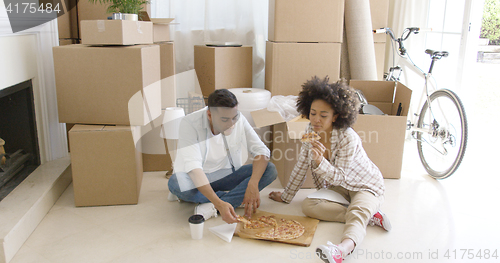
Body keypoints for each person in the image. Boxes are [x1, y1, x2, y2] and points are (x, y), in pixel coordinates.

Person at [268, 76, 391, 263]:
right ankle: (369, 215)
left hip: (365, 185)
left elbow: (340, 177)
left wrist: (319, 162)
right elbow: (301, 165)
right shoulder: (310, 130)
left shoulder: (348, 138)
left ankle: (341, 250)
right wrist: (286, 196)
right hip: (339, 188)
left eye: (323, 115)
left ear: (336, 116)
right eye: (313, 113)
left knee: (357, 214)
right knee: (308, 205)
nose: (316, 119)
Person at [168, 89, 277, 224]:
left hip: (223, 175)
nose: (231, 124)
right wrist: (220, 203)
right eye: (225, 119)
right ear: (209, 115)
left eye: (234, 118)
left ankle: (211, 205)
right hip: (195, 178)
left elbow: (262, 151)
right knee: (177, 183)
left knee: (269, 169)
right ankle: (226, 201)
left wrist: (253, 184)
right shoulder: (189, 123)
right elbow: (194, 170)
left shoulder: (238, 119)